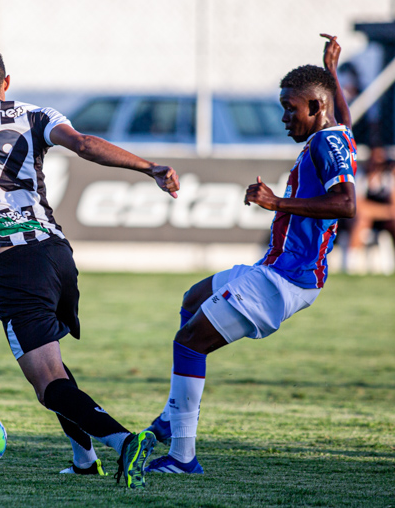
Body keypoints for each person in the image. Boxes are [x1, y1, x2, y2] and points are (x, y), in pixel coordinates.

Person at [0, 46, 180, 488]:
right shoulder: (35, 113)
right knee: (54, 365)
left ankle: (124, 441)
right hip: (57, 253)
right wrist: (150, 167)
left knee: (47, 382)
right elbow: (85, 144)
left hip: (13, 267)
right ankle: (84, 459)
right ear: (6, 83)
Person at [143, 34, 357, 474]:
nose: (284, 117)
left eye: (291, 108)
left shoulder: (323, 145)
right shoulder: (334, 134)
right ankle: (172, 415)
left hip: (286, 280)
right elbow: (342, 122)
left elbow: (347, 204)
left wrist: (275, 202)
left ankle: (182, 456)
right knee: (192, 299)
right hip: (276, 269)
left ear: (316, 108)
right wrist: (331, 72)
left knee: (188, 343)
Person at [347, 145, 395, 274]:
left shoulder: (390, 177)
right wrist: (387, 211)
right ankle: (351, 263)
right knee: (362, 219)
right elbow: (358, 206)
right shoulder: (361, 176)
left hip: (385, 220)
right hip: (363, 220)